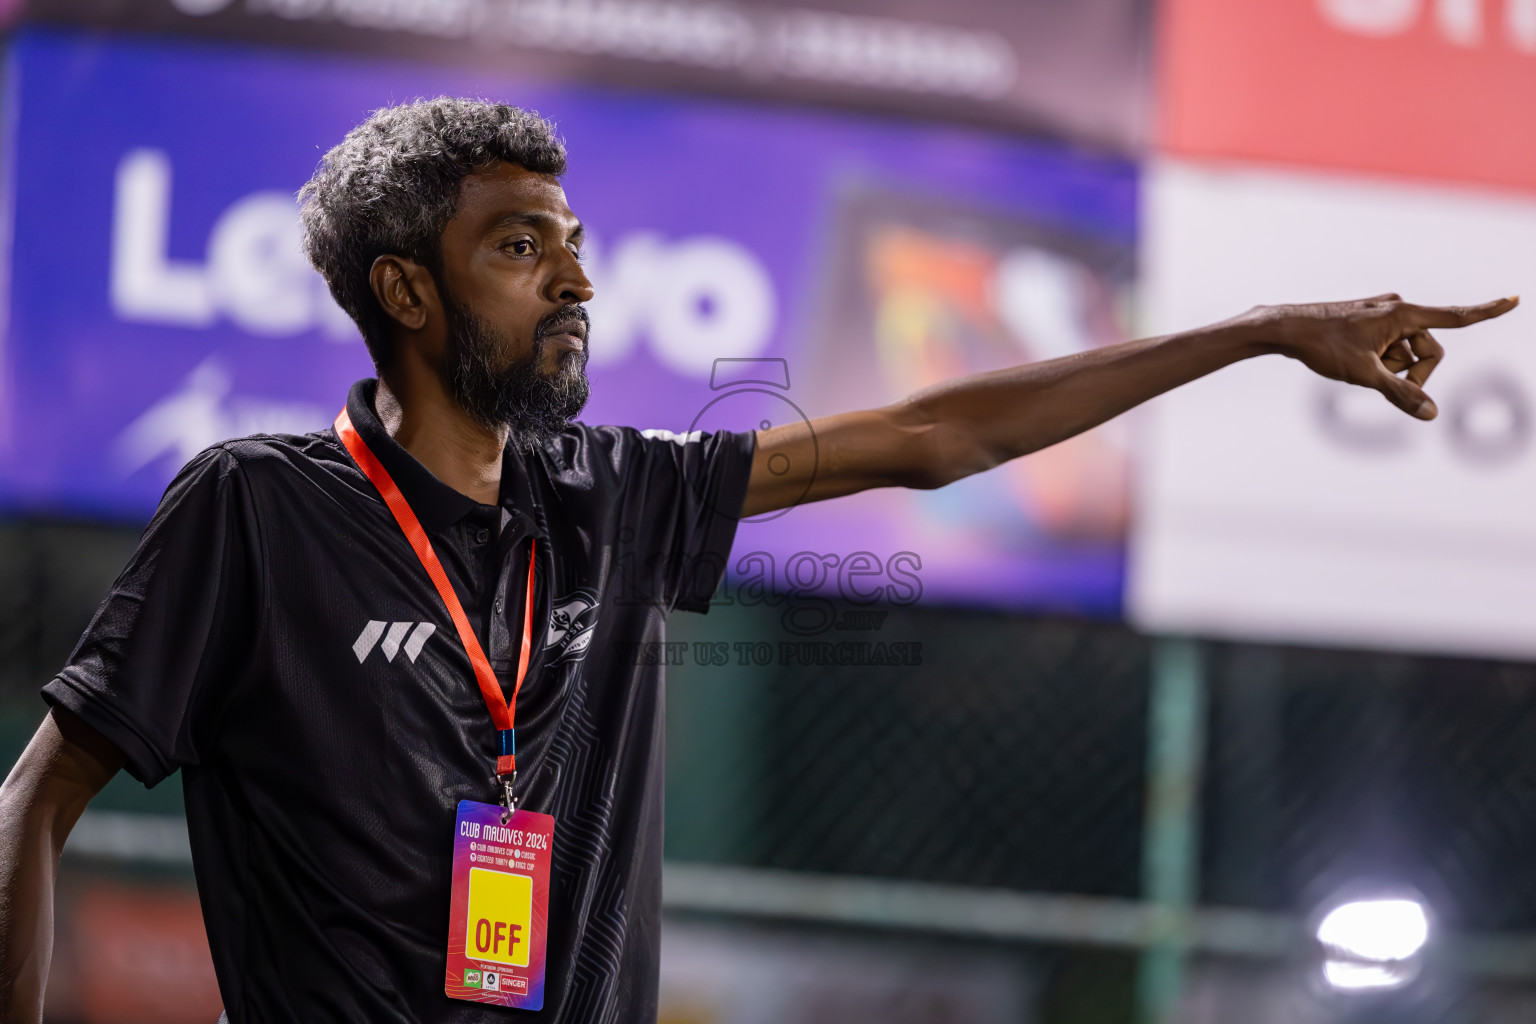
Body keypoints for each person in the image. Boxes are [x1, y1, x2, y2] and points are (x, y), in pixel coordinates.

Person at [0, 97, 1515, 1024]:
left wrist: (1253, 333)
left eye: (576, 238)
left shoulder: (616, 494)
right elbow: (36, 798)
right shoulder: (256, 511)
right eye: (523, 247)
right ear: (404, 288)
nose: (579, 278)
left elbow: (933, 438)